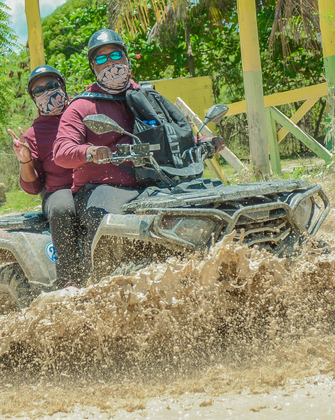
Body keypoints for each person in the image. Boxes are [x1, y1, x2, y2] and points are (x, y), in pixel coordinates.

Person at [53, 29, 225, 282]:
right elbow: (61, 152)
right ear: (93, 67)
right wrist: (90, 152)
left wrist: (203, 142)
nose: (110, 63)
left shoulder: (147, 97)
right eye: (101, 59)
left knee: (214, 202)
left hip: (155, 184)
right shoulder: (82, 106)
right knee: (108, 219)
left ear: (127, 59)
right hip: (102, 187)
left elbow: (169, 134)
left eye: (115, 55)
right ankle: (95, 283)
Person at [7, 65, 82, 287]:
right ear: (33, 98)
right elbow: (32, 187)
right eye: (39, 91)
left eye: (52, 86)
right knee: (61, 208)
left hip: (90, 184)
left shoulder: (81, 113)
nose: (47, 93)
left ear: (63, 87)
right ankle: (70, 277)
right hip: (60, 191)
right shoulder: (34, 134)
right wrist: (25, 159)